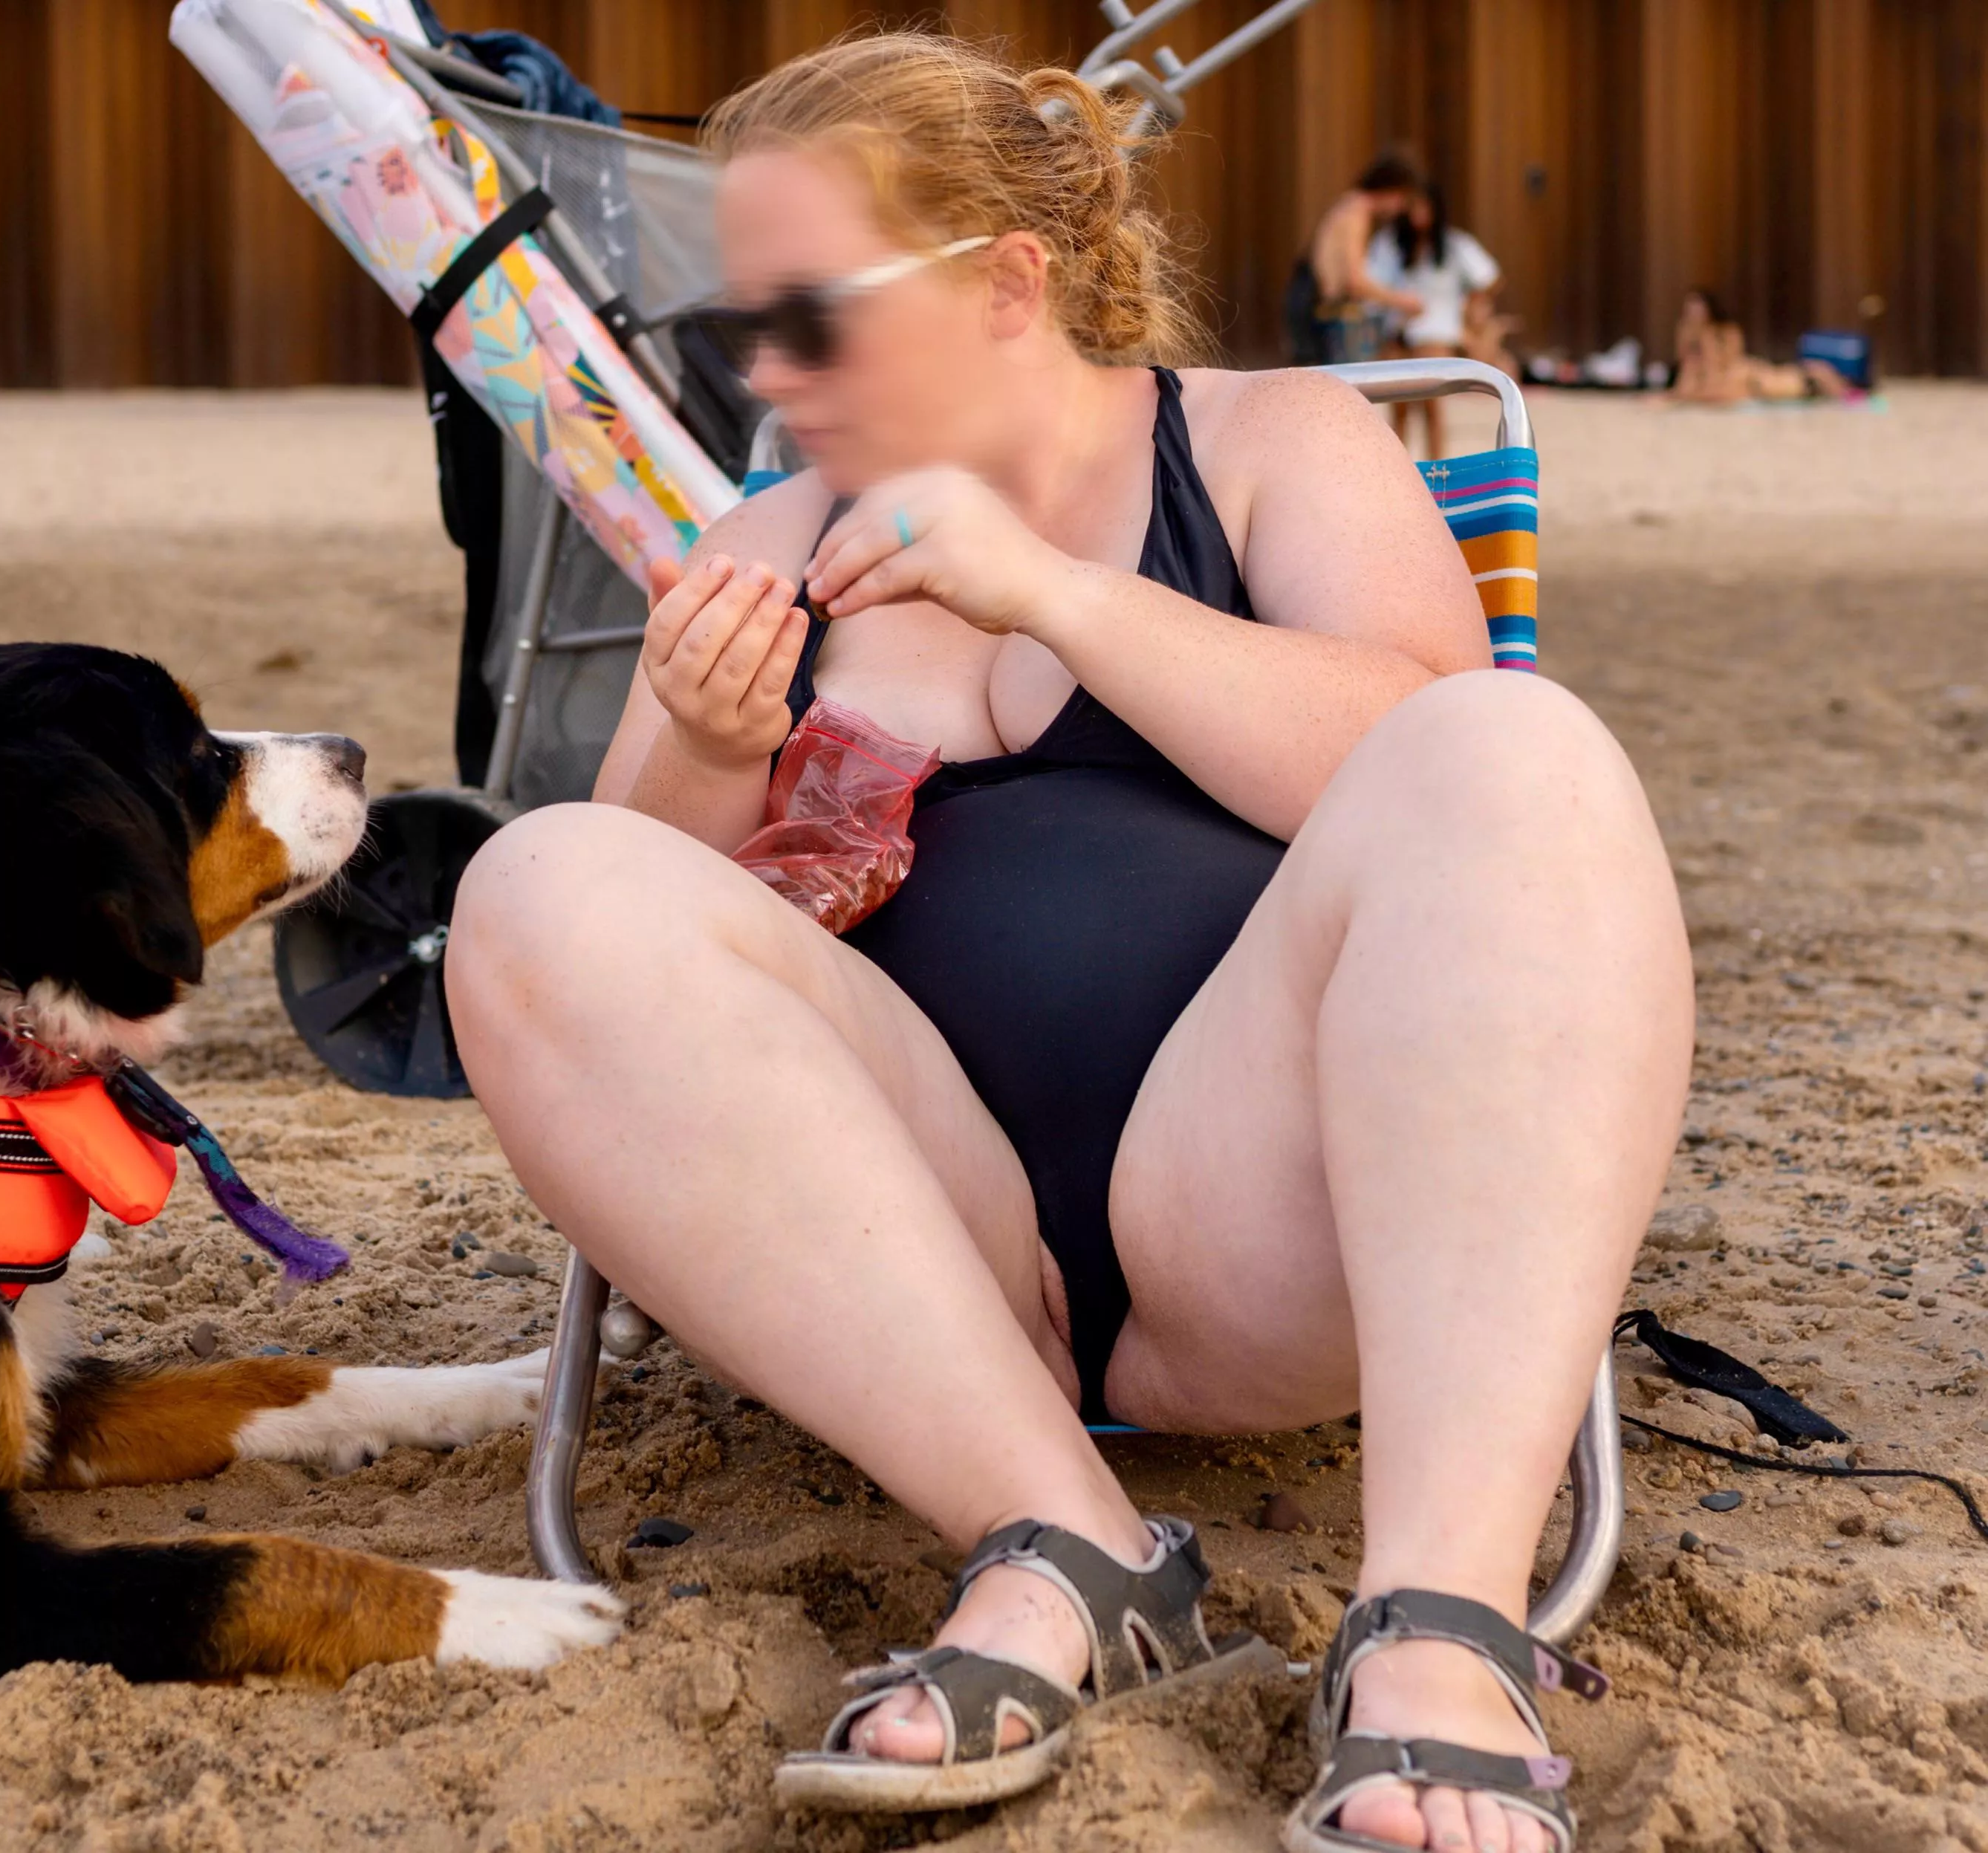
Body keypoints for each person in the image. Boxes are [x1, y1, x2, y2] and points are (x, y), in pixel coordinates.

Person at [446, 33, 1689, 1853]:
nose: (769, 376)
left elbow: (1427, 755)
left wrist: (1051, 593)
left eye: (813, 318)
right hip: (915, 1258)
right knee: (537, 878)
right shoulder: (773, 534)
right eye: (741, 329)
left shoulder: (1268, 443)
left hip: (1255, 1211)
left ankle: (1440, 1623)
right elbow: (599, 978)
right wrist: (711, 744)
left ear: (1007, 284)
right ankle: (1064, 1543)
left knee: (1520, 747)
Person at [1367, 184, 1509, 457]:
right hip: (1400, 330)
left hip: (1436, 331)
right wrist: (1398, 302)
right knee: (1398, 406)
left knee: (1431, 404)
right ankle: (1398, 466)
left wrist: (1471, 307)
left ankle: (1435, 467)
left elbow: (1490, 277)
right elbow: (1371, 284)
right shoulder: (1390, 244)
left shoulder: (1454, 245)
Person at [1286, 153, 1426, 364]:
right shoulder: (1356, 212)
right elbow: (1354, 281)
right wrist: (1401, 301)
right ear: (1392, 190)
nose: (1399, 210)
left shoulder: (1351, 207)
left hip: (1315, 304)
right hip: (1315, 307)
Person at [1670, 288, 1853, 404]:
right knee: (1809, 376)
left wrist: (1707, 341)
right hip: (1764, 383)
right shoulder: (1692, 353)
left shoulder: (1726, 335)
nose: (1693, 315)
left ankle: (1844, 390)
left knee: (1814, 373)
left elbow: (1730, 357)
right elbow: (1685, 379)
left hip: (1754, 374)